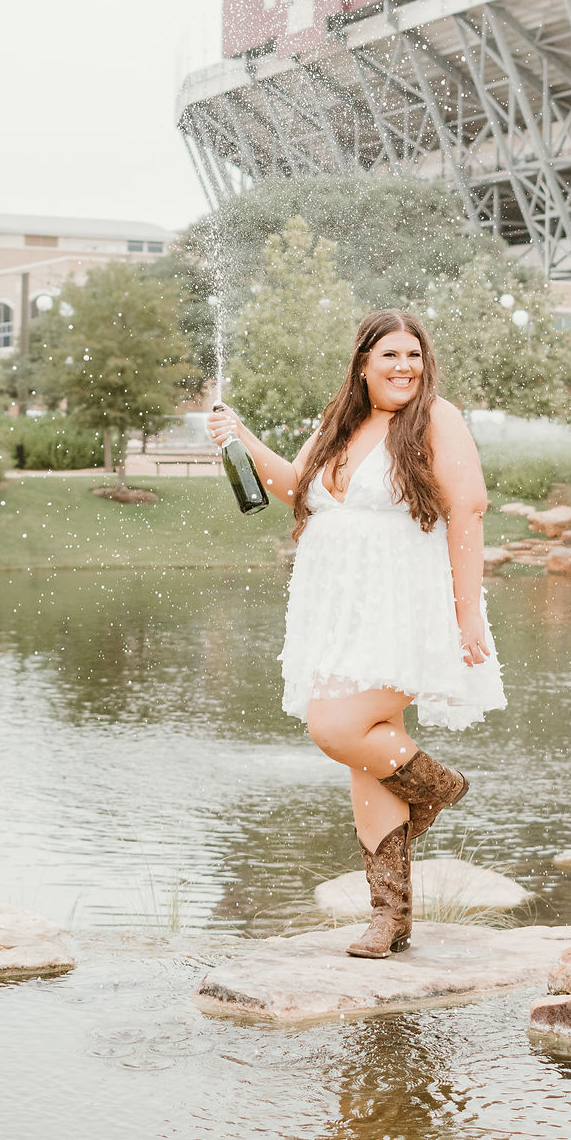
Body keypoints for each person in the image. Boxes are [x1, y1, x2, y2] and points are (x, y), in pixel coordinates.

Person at [208, 309, 506, 959]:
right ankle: (389, 919)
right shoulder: (342, 422)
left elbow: (469, 509)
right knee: (370, 750)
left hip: (404, 606)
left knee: (336, 728)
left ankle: (439, 786)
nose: (405, 367)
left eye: (415, 356)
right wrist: (242, 436)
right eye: (391, 356)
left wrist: (469, 613)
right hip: (339, 610)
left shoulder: (436, 419)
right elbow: (296, 489)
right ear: (363, 364)